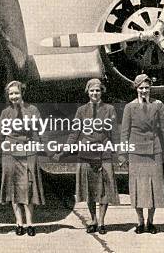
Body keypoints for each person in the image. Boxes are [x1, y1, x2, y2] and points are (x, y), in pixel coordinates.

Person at [53, 78, 120, 234]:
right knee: (90, 190)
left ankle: (102, 222)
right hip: (86, 155)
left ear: (101, 91)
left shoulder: (109, 109)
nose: (95, 93)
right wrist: (63, 152)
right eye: (92, 91)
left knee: (104, 190)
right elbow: (74, 133)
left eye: (97, 90)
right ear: (87, 92)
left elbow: (114, 133)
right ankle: (93, 220)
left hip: (104, 154)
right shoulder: (81, 110)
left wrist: (121, 153)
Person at [0, 81, 45, 236]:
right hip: (10, 154)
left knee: (27, 188)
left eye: (16, 93)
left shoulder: (32, 110)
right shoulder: (5, 112)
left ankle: (30, 223)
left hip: (28, 152)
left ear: (22, 93)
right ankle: (19, 223)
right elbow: (0, 136)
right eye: (11, 94)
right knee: (13, 188)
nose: (14, 96)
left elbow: (37, 133)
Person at [120, 74, 164, 234]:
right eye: (141, 88)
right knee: (138, 187)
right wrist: (122, 154)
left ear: (150, 88)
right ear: (136, 88)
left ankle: (151, 221)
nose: (144, 91)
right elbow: (124, 132)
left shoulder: (158, 105)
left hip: (154, 150)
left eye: (147, 88)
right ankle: (140, 222)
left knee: (154, 187)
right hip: (136, 152)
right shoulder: (129, 107)